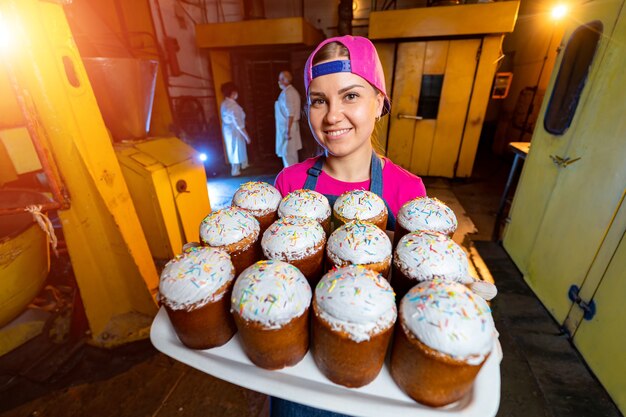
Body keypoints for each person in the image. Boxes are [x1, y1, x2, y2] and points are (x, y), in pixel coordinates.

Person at [271, 35, 427, 416]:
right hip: (297, 366)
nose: (332, 116)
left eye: (351, 96)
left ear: (379, 102)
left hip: (371, 366)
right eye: (319, 100)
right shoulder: (289, 184)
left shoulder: (407, 190)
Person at [220, 81, 251, 176]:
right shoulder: (233, 107)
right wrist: (247, 136)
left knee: (233, 149)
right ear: (233, 93)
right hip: (235, 131)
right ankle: (236, 170)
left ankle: (241, 166)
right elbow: (239, 124)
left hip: (228, 130)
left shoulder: (224, 104)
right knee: (236, 149)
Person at [275, 71, 303, 167]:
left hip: (288, 127)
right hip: (287, 126)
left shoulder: (289, 93)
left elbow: (290, 113)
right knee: (289, 154)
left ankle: (292, 180)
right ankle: (291, 179)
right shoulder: (287, 92)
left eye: (282, 79)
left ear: (287, 79)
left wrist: (287, 131)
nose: (279, 81)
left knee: (288, 155)